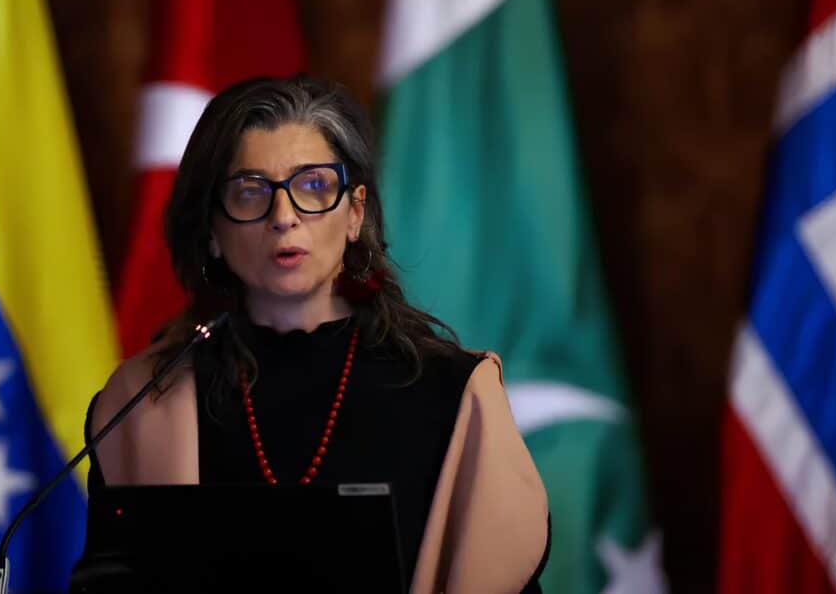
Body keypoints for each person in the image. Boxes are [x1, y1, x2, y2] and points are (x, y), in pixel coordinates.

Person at [85, 75, 550, 593]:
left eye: (312, 186)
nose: (284, 218)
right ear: (213, 231)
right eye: (250, 191)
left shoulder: (454, 393)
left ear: (354, 214)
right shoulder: (145, 401)